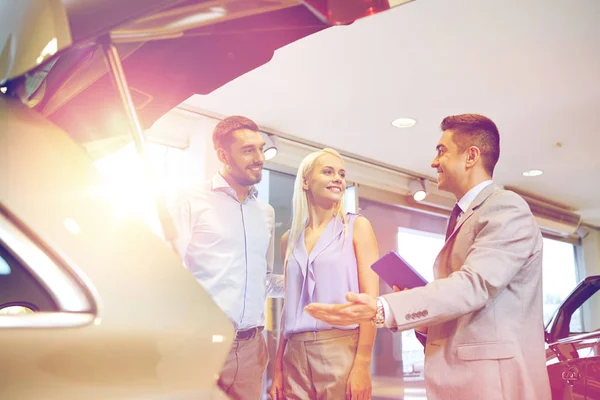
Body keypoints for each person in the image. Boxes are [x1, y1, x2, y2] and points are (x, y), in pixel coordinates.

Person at [305, 114, 552, 400]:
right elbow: (468, 305)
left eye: (441, 151)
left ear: (471, 156)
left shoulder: (506, 208)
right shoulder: (463, 216)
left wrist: (384, 307)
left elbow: (473, 286)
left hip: (496, 386)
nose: (434, 162)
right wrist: (425, 323)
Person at [171, 115, 282, 400]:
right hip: (202, 344)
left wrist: (306, 282)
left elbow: (262, 278)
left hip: (252, 348)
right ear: (222, 155)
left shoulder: (266, 213)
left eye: (260, 148)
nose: (259, 158)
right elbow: (169, 272)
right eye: (248, 150)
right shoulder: (191, 200)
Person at [269, 148, 379, 400]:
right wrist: (277, 368)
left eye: (341, 174)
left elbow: (370, 304)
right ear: (305, 181)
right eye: (328, 172)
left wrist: (362, 364)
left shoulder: (357, 227)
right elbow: (289, 309)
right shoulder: (289, 240)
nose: (338, 178)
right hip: (294, 352)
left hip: (341, 348)